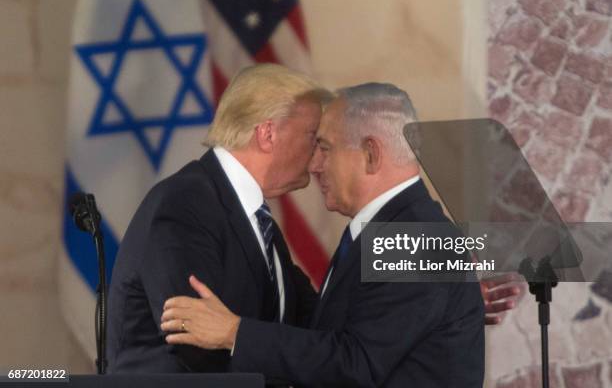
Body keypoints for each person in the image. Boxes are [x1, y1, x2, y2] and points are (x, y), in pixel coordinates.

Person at [161, 83, 487, 387]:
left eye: (325, 148)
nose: (314, 165)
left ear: (371, 154)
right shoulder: (393, 229)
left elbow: (355, 363)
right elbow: (332, 330)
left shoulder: (414, 238)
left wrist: (234, 333)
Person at [107, 64, 330, 372]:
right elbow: (197, 346)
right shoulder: (185, 205)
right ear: (267, 134)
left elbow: (313, 324)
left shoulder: (260, 224)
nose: (320, 156)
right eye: (312, 137)